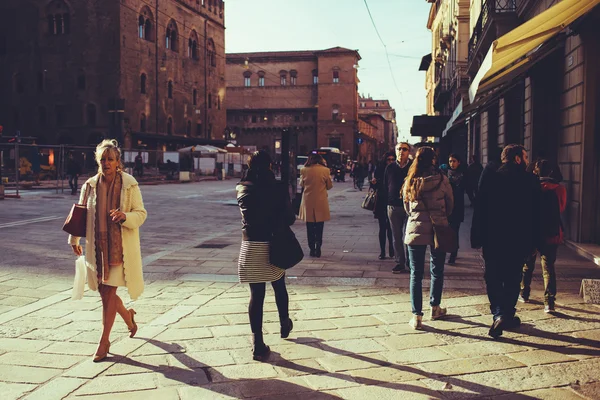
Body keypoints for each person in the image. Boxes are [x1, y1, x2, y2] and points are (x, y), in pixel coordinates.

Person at [68, 139, 147, 362]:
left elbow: (141, 213)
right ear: (98, 162)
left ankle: (104, 341)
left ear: (118, 162)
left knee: (108, 294)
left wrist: (125, 216)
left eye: (110, 159)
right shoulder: (89, 185)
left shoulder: (130, 184)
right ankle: (129, 318)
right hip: (97, 248)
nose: (106, 163)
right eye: (102, 159)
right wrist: (74, 238)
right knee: (105, 293)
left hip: (119, 249)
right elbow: (81, 215)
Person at [471, 144, 540, 339]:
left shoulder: (490, 177)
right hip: (519, 239)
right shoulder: (530, 180)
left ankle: (499, 314)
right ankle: (508, 314)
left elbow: (480, 208)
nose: (527, 161)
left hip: (493, 238)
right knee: (512, 277)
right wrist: (536, 241)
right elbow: (537, 214)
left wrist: (477, 236)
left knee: (492, 277)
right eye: (525, 157)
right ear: (517, 158)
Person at [236, 150, 294, 361]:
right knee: (279, 284)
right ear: (270, 166)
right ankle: (284, 323)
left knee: (256, 294)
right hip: (273, 243)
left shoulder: (241, 188)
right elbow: (289, 218)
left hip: (250, 245)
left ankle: (257, 343)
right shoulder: (278, 188)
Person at [403, 146, 454, 330]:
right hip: (437, 228)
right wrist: (440, 215)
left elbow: (407, 208)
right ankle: (435, 307)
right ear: (433, 160)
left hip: (415, 228)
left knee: (416, 274)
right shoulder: (442, 180)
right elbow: (450, 205)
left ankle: (416, 316)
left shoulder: (410, 180)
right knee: (437, 270)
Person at [520, 159, 566, 313]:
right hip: (552, 234)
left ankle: (524, 293)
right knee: (548, 268)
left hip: (532, 233)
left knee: (527, 265)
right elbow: (561, 207)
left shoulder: (532, 187)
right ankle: (549, 302)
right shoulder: (559, 189)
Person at [384, 142, 412, 273]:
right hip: (393, 206)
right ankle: (399, 262)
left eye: (404, 149)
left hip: (410, 207)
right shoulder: (389, 168)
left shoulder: (413, 167)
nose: (401, 151)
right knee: (396, 236)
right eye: (399, 149)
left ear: (409, 152)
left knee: (409, 235)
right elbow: (385, 186)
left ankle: (411, 261)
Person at [299, 154, 333, 257]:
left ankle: (311, 248)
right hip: (320, 201)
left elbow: (302, 184)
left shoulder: (304, 170)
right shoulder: (325, 170)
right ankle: (318, 247)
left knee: (309, 226)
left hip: (308, 200)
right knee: (319, 225)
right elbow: (329, 186)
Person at [371, 152, 395, 260]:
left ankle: (391, 248)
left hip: (392, 201)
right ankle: (382, 251)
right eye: (388, 159)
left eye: (392, 159)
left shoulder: (396, 170)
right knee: (382, 227)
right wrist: (374, 182)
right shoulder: (379, 170)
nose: (390, 161)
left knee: (391, 227)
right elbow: (374, 186)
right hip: (381, 201)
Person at [444, 154, 466, 265]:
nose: (452, 163)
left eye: (454, 161)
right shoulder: (445, 175)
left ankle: (453, 254)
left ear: (459, 162)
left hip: (458, 207)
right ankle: (447, 251)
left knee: (455, 231)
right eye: (450, 161)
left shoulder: (463, 175)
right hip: (447, 206)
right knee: (446, 231)